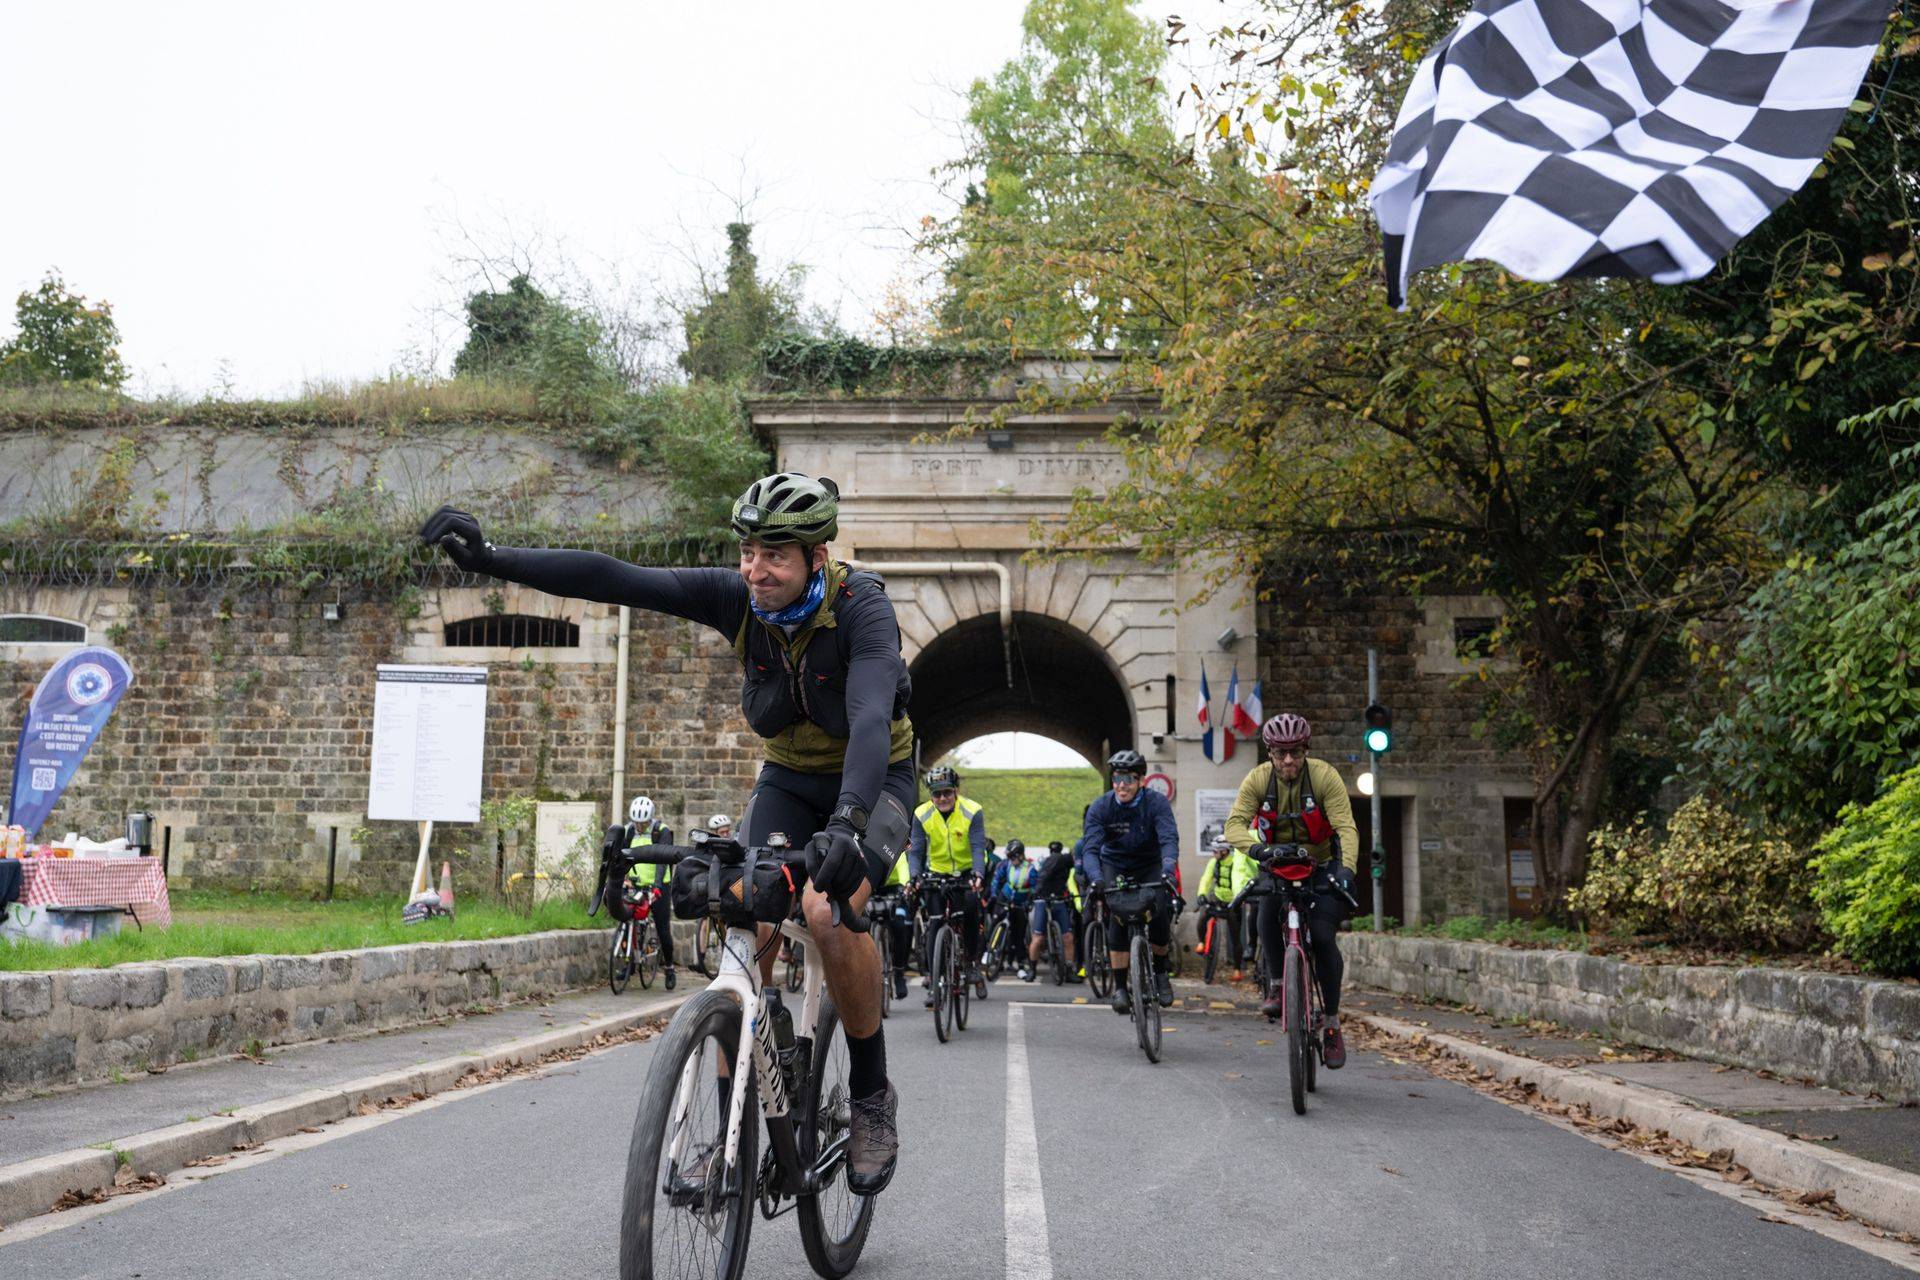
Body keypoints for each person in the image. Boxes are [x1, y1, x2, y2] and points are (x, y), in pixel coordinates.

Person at [420, 471, 910, 1194]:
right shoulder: (736, 600)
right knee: (742, 916)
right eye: (748, 551)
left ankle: (871, 1094)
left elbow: (869, 718)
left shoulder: (862, 609)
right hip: (788, 780)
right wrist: (490, 556)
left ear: (818, 553)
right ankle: (730, 1136)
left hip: (874, 782)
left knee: (824, 910)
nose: (755, 569)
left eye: (775, 554)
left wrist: (848, 822)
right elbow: (615, 578)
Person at [1224, 712, 1360, 1070]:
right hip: (1276, 865)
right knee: (1266, 912)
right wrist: (1259, 851)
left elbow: (1346, 826)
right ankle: (1277, 984)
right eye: (1281, 753)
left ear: (1306, 750)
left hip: (1320, 866)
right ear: (1269, 752)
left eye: (1296, 752)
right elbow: (1234, 825)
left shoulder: (1324, 776)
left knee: (1324, 938)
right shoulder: (1257, 780)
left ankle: (1331, 1022)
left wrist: (1347, 870)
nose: (1288, 760)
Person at [1081, 748, 1180, 1014]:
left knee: (1159, 910)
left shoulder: (1156, 803)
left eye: (1128, 779)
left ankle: (1160, 973)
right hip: (1115, 863)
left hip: (1150, 863)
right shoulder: (1102, 806)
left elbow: (1168, 838)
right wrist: (1097, 878)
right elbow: (1090, 850)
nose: (1121, 785)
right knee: (1117, 914)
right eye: (1116, 779)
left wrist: (1168, 869)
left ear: (1140, 781)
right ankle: (1121, 987)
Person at [907, 764, 990, 1007]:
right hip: (936, 873)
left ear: (956, 790)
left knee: (972, 908)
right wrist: (915, 876)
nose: (942, 798)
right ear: (930, 795)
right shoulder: (922, 814)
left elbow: (977, 846)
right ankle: (934, 982)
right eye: (936, 794)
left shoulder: (972, 811)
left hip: (965, 873)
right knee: (934, 922)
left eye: (947, 793)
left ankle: (972, 962)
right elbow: (916, 852)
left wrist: (977, 874)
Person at [623, 795, 679, 990]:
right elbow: (621, 856)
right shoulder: (628, 831)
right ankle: (628, 963)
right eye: (637, 823)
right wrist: (624, 878)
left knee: (663, 928)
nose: (640, 826)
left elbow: (663, 860)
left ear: (650, 819)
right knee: (627, 921)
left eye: (643, 823)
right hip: (636, 885)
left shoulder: (660, 831)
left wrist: (656, 887)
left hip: (659, 886)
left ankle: (670, 967)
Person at [1195, 833, 1254, 978]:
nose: (1213, 853)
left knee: (1235, 937)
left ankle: (1237, 970)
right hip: (1217, 899)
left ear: (1225, 851)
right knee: (1202, 916)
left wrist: (1239, 899)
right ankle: (1202, 942)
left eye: (1216, 851)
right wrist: (1201, 894)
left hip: (1233, 904)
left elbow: (1240, 880)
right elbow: (1206, 879)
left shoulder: (1236, 862)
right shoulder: (1213, 863)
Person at [1026, 838, 1081, 982]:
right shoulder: (1057, 859)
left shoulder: (1066, 862)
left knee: (1068, 937)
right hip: (1042, 901)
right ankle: (1032, 970)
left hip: (1058, 900)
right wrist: (1036, 891)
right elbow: (1044, 876)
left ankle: (1069, 971)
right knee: (1038, 938)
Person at [992, 838, 1035, 979]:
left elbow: (1035, 888)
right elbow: (997, 878)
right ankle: (990, 951)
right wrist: (994, 894)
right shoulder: (1006, 865)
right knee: (995, 920)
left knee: (1018, 936)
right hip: (1005, 897)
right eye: (1009, 857)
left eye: (1013, 857)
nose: (1010, 860)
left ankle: (1021, 965)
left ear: (1020, 855)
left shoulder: (1030, 869)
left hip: (1019, 903)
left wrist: (1029, 902)